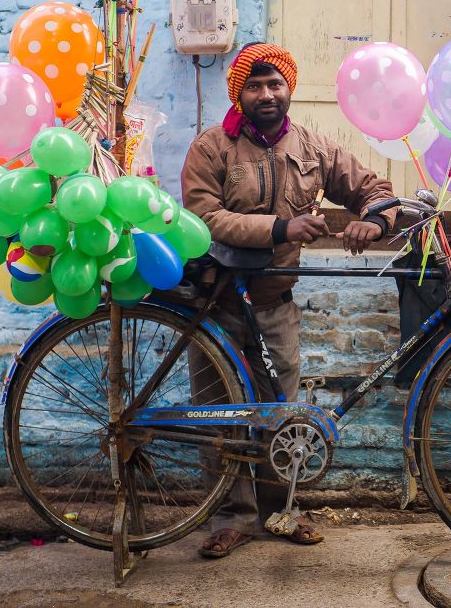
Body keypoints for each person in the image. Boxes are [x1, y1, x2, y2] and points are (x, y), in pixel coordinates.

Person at [180, 42, 398, 559]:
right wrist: (281, 226)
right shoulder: (212, 148)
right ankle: (232, 517)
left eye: (275, 84)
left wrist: (376, 218)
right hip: (216, 307)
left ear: (288, 89)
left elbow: (373, 186)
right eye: (254, 86)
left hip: (276, 303)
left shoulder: (314, 148)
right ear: (240, 94)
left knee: (283, 414)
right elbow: (203, 218)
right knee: (220, 413)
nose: (266, 94)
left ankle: (284, 511)